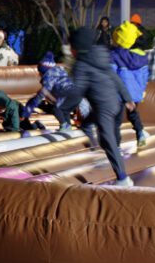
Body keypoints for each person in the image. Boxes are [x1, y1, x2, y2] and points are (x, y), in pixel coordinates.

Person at [57, 27, 136, 187]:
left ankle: (122, 178)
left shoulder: (81, 65)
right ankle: (96, 146)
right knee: (88, 124)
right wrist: (127, 98)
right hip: (115, 103)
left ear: (77, 49)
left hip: (104, 107)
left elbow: (77, 91)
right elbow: (115, 78)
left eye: (71, 48)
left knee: (108, 141)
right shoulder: (99, 58)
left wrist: (64, 107)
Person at [110, 21, 150, 149]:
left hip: (119, 93)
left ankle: (116, 146)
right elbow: (144, 77)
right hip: (135, 93)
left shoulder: (113, 55)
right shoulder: (141, 56)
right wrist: (141, 90)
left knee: (116, 121)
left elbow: (111, 75)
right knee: (133, 113)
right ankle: (140, 133)